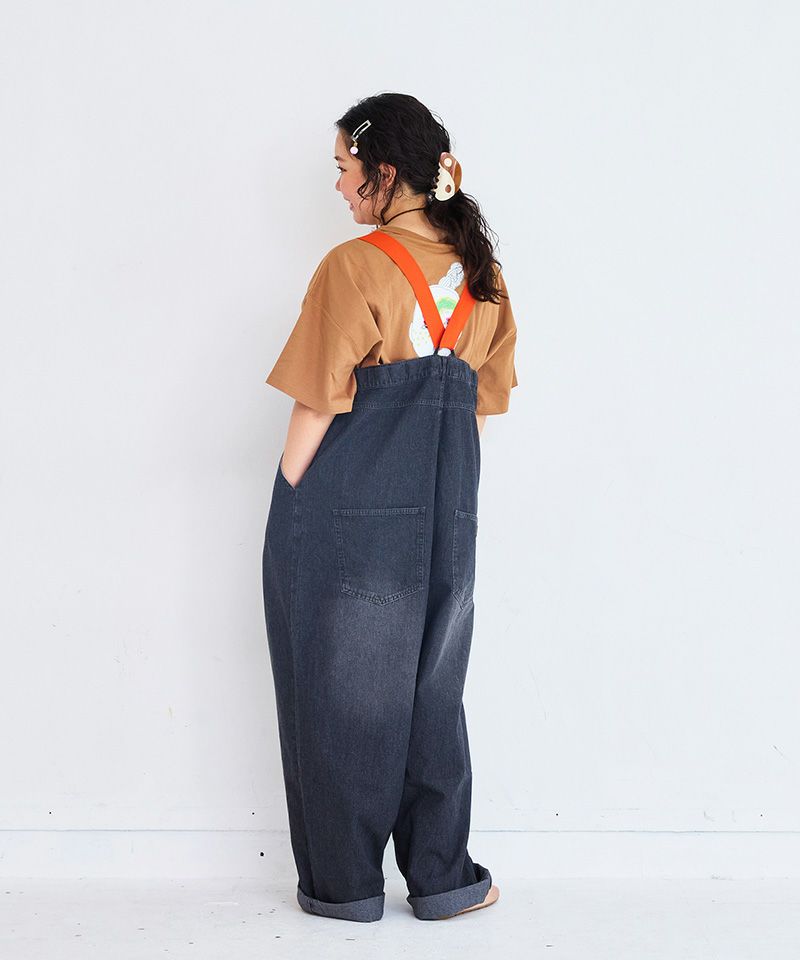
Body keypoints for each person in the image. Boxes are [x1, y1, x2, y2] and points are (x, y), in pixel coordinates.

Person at [261, 92, 518, 923]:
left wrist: (288, 501)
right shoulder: (485, 278)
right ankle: (443, 880)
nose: (338, 186)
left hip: (347, 501)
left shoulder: (355, 265)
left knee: (337, 687)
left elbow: (317, 400)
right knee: (433, 687)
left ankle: (345, 885)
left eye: (344, 169)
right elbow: (481, 408)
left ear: (384, 172)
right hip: (450, 502)